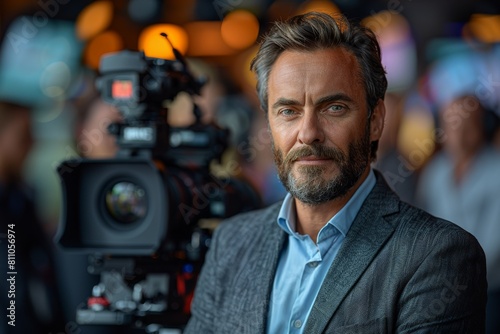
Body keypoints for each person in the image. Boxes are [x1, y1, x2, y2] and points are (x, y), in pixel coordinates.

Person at [184, 12, 487, 333]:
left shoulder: (438, 256)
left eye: (334, 108)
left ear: (375, 120)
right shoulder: (230, 243)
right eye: (288, 111)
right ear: (269, 124)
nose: (308, 133)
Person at [417, 94, 500, 334]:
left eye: (468, 125)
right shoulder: (435, 172)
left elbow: (494, 243)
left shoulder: (496, 170)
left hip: (489, 288)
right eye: (452, 125)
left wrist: (457, 277)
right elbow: (426, 228)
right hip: (442, 287)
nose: (459, 134)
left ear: (483, 126)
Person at [0, 100, 66, 334]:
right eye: (24, 136)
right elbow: (10, 282)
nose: (32, 144)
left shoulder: (19, 198)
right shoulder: (11, 204)